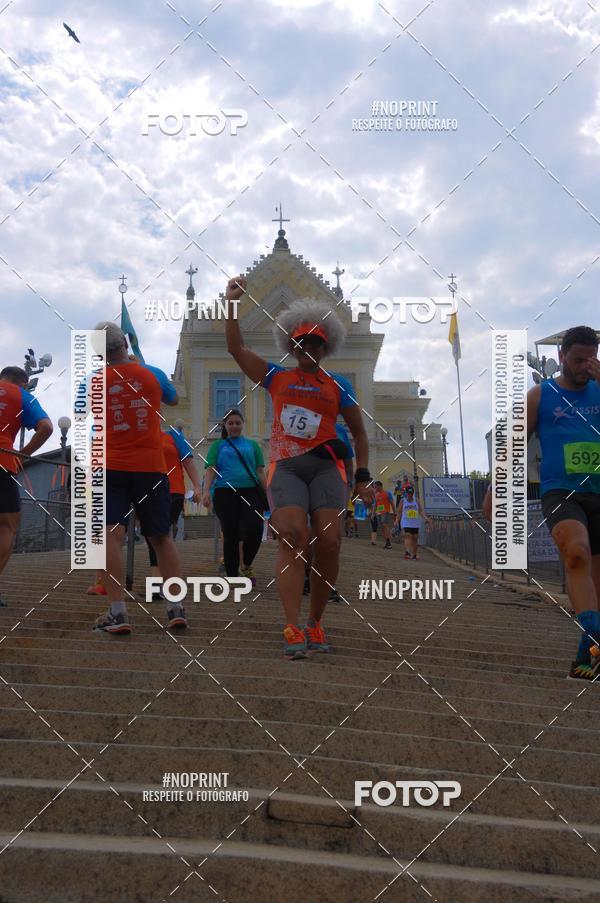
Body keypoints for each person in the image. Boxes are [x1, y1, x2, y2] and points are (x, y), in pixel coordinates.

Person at [224, 274, 374, 659]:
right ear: (291, 344)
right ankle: (291, 625)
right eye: (302, 341)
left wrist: (362, 476)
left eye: (316, 342)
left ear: (326, 347)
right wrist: (231, 303)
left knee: (329, 542)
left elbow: (359, 433)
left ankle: (316, 621)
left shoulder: (338, 385)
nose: (308, 347)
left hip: (326, 469)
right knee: (293, 536)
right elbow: (237, 348)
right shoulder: (276, 376)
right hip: (287, 467)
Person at [501, 325, 599, 681]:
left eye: (591, 358)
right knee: (576, 553)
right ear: (561, 357)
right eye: (577, 359)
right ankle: (592, 640)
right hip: (561, 490)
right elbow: (514, 445)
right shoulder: (541, 395)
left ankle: (586, 658)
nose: (585, 366)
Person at [91, 323, 187, 634]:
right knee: (160, 537)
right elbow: (172, 401)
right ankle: (175, 607)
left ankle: (118, 611)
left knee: (109, 534)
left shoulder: (96, 381)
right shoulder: (153, 374)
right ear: (126, 344)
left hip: (111, 466)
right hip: (151, 466)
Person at [0, 366, 53, 606]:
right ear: (23, 382)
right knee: (6, 526)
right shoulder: (21, 395)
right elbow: (47, 427)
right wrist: (22, 454)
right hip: (2, 461)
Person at [202, 409, 266, 588]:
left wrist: (267, 493)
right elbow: (211, 469)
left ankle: (246, 564)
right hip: (225, 492)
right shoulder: (218, 446)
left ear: (242, 424)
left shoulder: (253, 446)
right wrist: (206, 490)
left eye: (237, 423)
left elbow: (260, 471)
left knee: (255, 528)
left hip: (251, 491)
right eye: (230, 423)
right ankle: (232, 575)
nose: (234, 426)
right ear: (225, 426)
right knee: (230, 533)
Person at [147, 427, 201, 600]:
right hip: (148, 491)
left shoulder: (173, 435)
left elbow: (188, 461)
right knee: (152, 536)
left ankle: (162, 583)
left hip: (173, 490)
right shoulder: (140, 435)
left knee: (161, 534)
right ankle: (159, 583)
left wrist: (197, 486)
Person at [396, 485, 431, 559]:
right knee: (408, 535)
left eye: (411, 493)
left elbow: (420, 511)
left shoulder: (416, 500)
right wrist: (396, 520)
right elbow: (399, 512)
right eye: (409, 493)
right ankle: (407, 552)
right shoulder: (403, 501)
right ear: (406, 493)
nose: (410, 494)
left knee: (415, 538)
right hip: (406, 522)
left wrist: (425, 518)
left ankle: (414, 554)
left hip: (415, 522)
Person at [371, 481, 395, 549]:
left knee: (384, 525)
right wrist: (373, 514)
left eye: (375, 487)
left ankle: (388, 541)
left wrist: (394, 512)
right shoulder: (376, 495)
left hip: (385, 512)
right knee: (382, 527)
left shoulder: (387, 493)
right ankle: (387, 542)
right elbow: (375, 505)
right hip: (379, 513)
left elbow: (392, 503)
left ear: (380, 486)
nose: (375, 488)